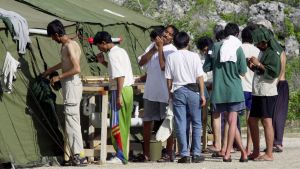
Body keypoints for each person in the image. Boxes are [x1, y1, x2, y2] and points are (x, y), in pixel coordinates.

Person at [43, 19, 86, 166]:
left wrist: (58, 77)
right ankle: (74, 155)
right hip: (70, 85)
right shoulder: (67, 45)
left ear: (56, 34)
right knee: (70, 121)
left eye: (52, 37)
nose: (53, 40)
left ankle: (80, 155)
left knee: (72, 121)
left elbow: (76, 68)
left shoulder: (69, 46)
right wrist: (50, 70)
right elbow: (65, 63)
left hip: (72, 84)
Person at [203, 23, 248, 162]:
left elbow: (206, 67)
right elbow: (243, 71)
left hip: (219, 91)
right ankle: (228, 153)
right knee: (232, 121)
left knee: (230, 121)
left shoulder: (214, 48)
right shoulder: (238, 48)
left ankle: (243, 153)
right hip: (234, 90)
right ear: (237, 34)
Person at [138, 25, 178, 162]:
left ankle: (168, 152)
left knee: (167, 122)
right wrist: (154, 49)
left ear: (173, 38)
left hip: (165, 93)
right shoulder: (152, 46)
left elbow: (164, 68)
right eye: (165, 32)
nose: (166, 35)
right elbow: (141, 62)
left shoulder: (173, 51)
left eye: (170, 34)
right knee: (148, 121)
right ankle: (146, 153)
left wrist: (160, 48)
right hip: (150, 91)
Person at [94, 31, 134, 164]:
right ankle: (122, 154)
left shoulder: (112, 54)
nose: (99, 49)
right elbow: (117, 70)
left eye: (99, 46)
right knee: (124, 123)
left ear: (104, 43)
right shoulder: (121, 51)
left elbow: (120, 76)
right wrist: (103, 62)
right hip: (128, 89)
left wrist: (118, 96)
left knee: (116, 124)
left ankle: (121, 156)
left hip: (120, 90)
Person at [165, 31, 206, 163]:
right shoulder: (194, 56)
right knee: (197, 122)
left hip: (178, 90)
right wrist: (203, 94)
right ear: (188, 43)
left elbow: (169, 79)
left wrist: (169, 92)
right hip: (193, 90)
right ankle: (196, 153)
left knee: (180, 123)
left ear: (175, 43)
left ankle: (184, 154)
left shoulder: (171, 57)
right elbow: (200, 77)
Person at [248, 27, 281, 161]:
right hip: (258, 91)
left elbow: (274, 72)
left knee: (267, 121)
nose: (257, 45)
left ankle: (269, 153)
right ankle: (256, 151)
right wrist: (253, 66)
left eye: (258, 43)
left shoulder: (273, 53)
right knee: (252, 120)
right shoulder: (264, 51)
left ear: (265, 41)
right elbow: (262, 69)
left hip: (267, 92)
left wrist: (258, 64)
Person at [196, 36, 221, 152]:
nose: (205, 52)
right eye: (203, 50)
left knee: (216, 115)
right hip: (205, 87)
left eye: (206, 50)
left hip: (214, 87)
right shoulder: (201, 57)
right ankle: (206, 143)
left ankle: (217, 143)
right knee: (205, 117)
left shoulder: (214, 55)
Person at [240, 26, 260, 155]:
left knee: (233, 118)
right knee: (251, 120)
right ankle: (248, 147)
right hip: (252, 87)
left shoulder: (238, 49)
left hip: (239, 87)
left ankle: (230, 146)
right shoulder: (258, 51)